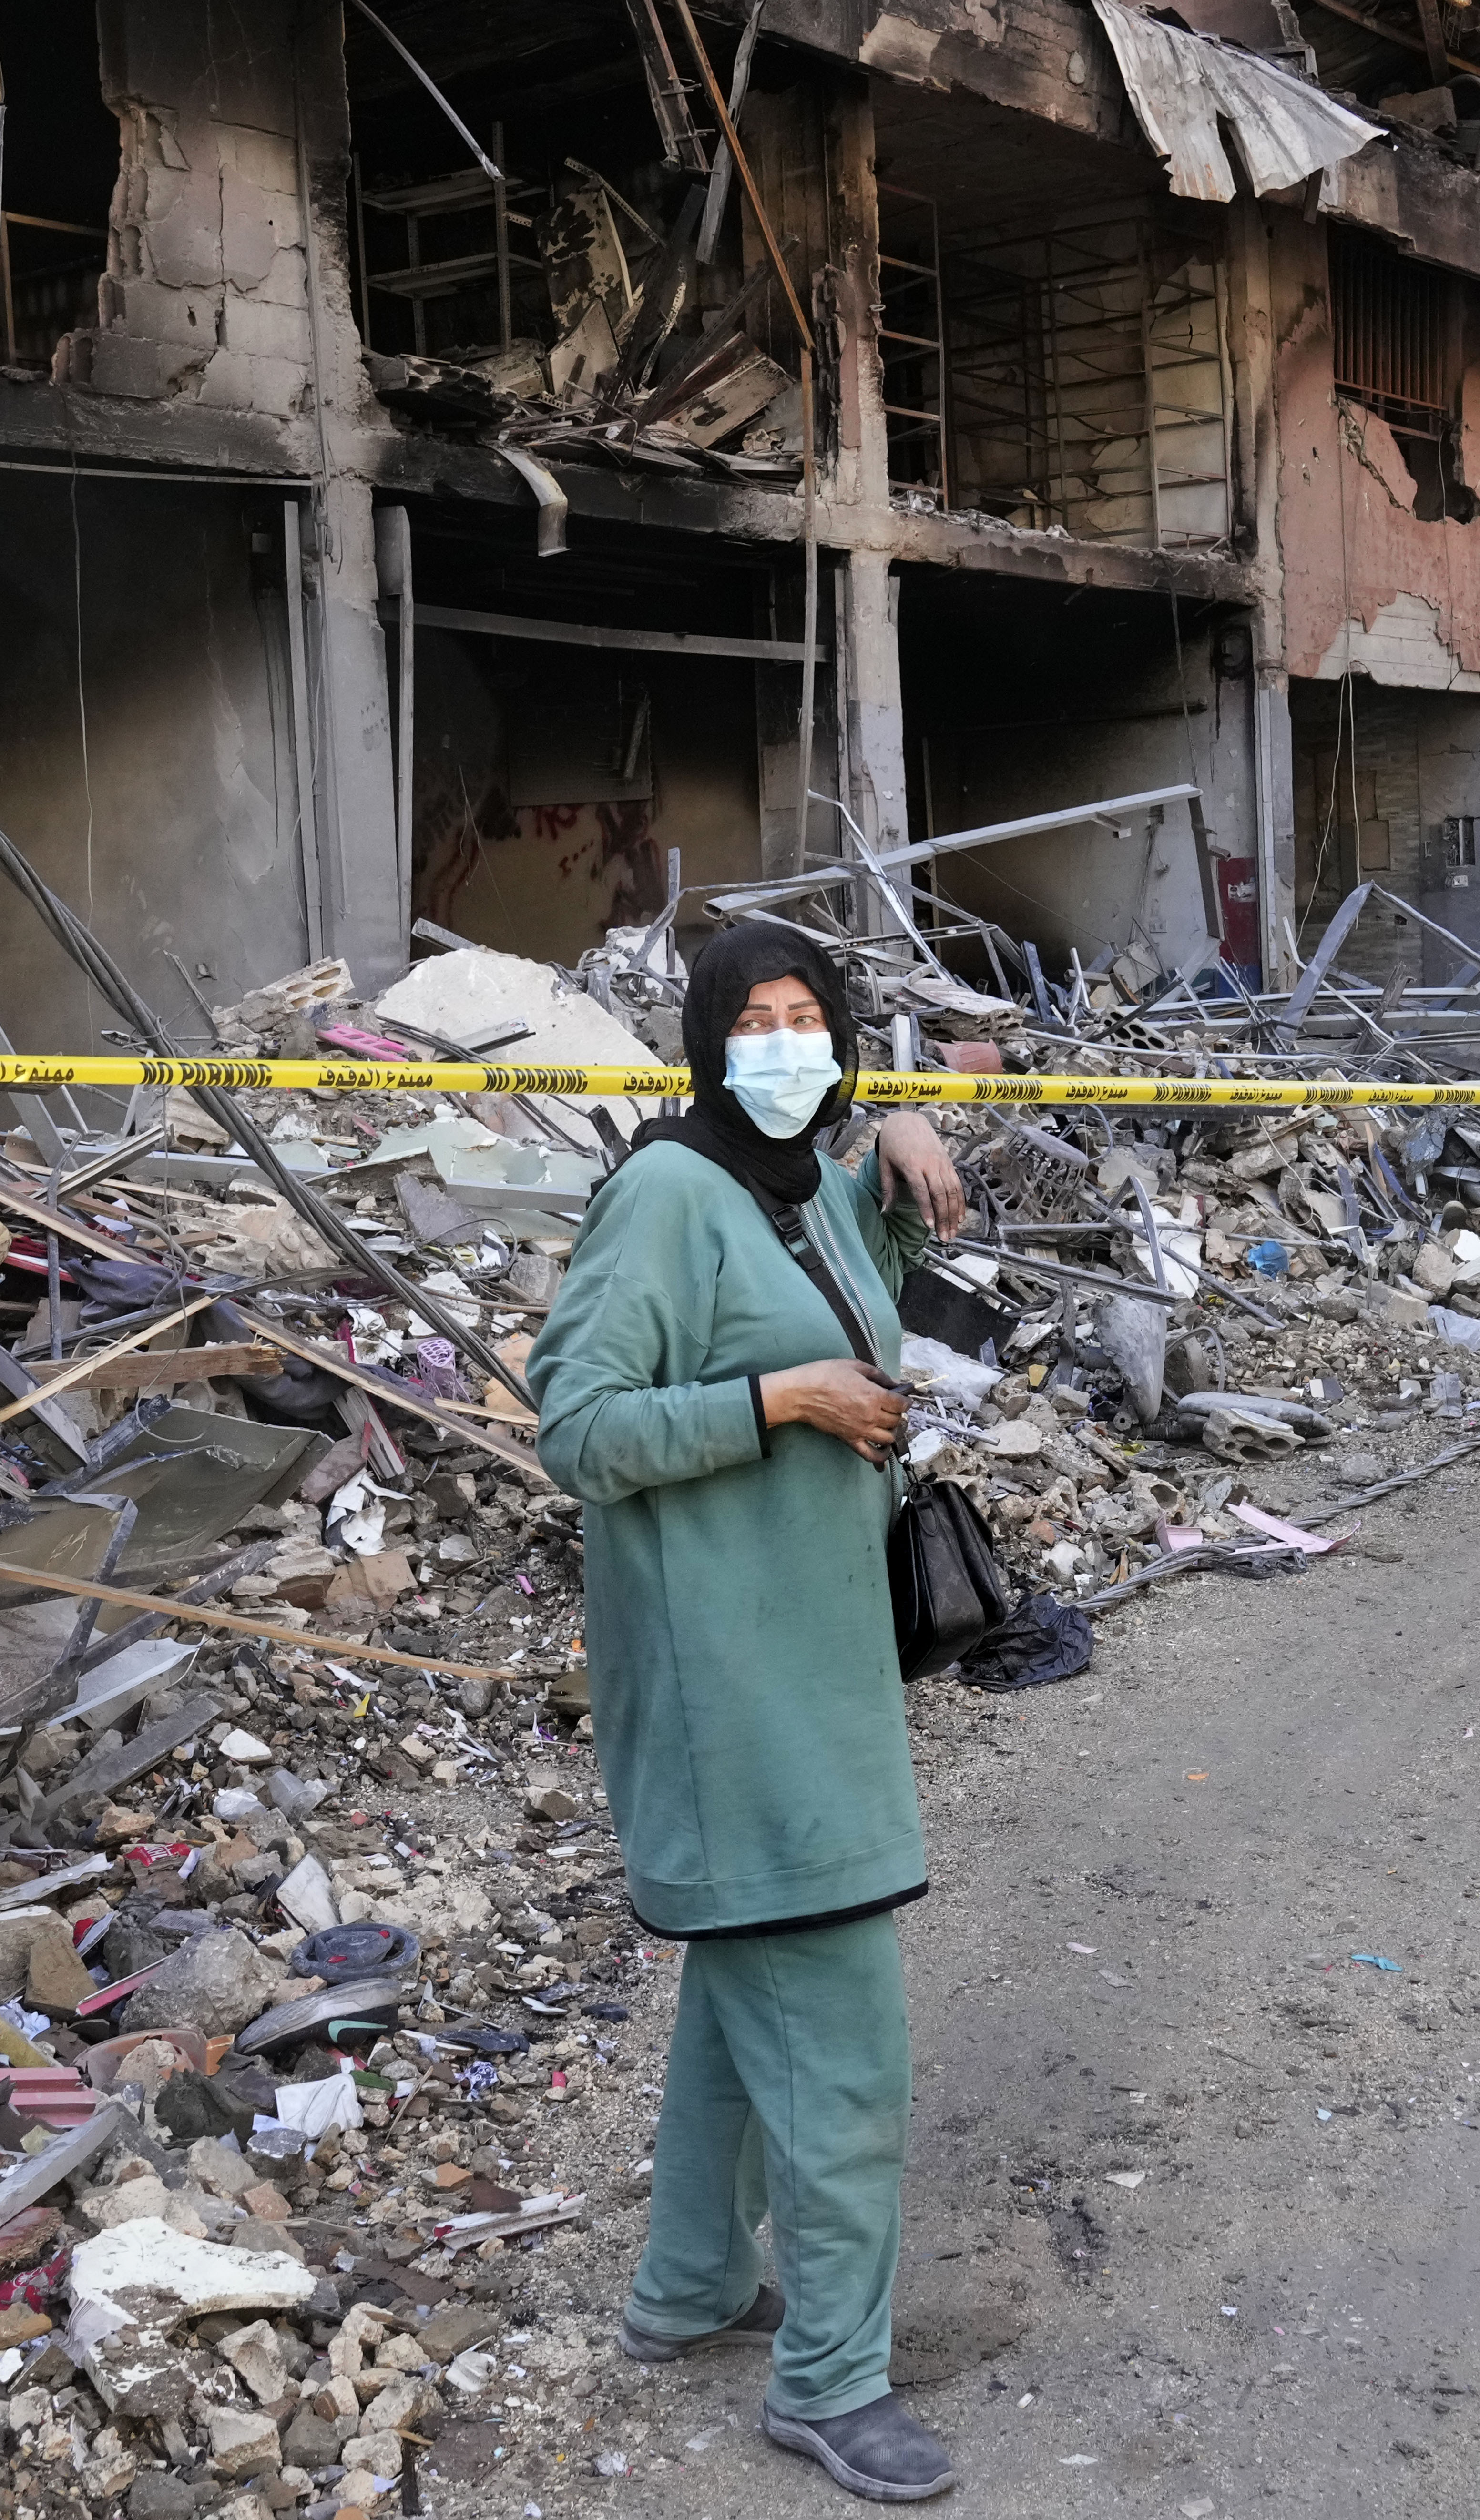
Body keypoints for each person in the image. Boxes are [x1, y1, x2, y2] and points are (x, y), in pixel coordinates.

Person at [531, 917, 971, 2505]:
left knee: (747, 1984)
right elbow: (575, 1428)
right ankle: (831, 2386)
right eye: (758, 1021)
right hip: (733, 1696)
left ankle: (693, 2287)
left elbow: (842, 1303)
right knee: (842, 2043)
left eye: (812, 1019)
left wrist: (895, 1143)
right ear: (708, 1044)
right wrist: (777, 1405)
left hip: (811, 1666)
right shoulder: (664, 1196)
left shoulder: (794, 1189)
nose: (787, 1043)